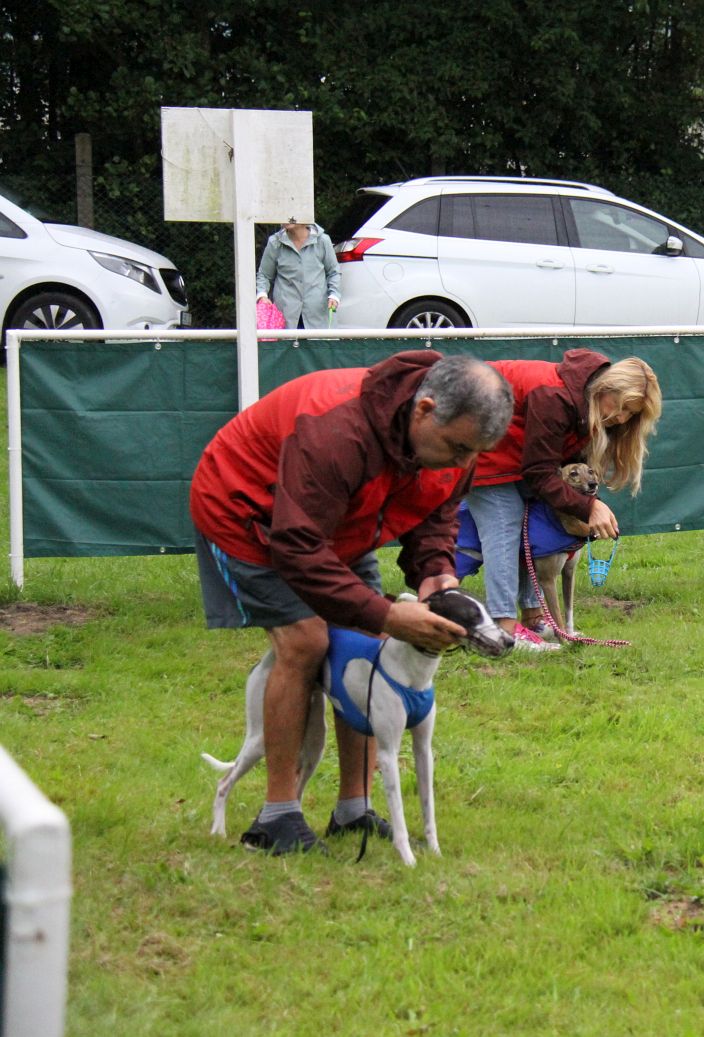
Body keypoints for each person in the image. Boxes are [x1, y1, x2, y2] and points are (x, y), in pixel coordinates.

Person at [189, 351, 514, 854]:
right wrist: (385, 612)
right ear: (424, 410)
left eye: (476, 453)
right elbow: (296, 546)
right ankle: (276, 816)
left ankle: (352, 808)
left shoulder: (451, 444)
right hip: (246, 511)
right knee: (306, 640)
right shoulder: (336, 429)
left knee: (366, 641)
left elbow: (436, 512)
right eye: (458, 448)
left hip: (338, 523)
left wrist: (436, 575)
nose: (464, 463)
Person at [464, 350, 661, 642]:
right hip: (475, 439)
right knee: (504, 523)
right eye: (621, 407)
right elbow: (540, 472)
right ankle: (502, 629)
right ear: (606, 389)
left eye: (630, 414)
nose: (621, 418)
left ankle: (532, 618)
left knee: (534, 528)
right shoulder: (555, 397)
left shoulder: (584, 398)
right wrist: (588, 507)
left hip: (512, 454)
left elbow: (552, 462)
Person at [257, 218, 340, 329]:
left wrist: (334, 295)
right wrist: (262, 296)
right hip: (285, 316)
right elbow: (264, 275)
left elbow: (334, 272)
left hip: (318, 315)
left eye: (290, 212)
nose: (286, 217)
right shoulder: (274, 242)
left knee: (319, 346)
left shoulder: (323, 241)